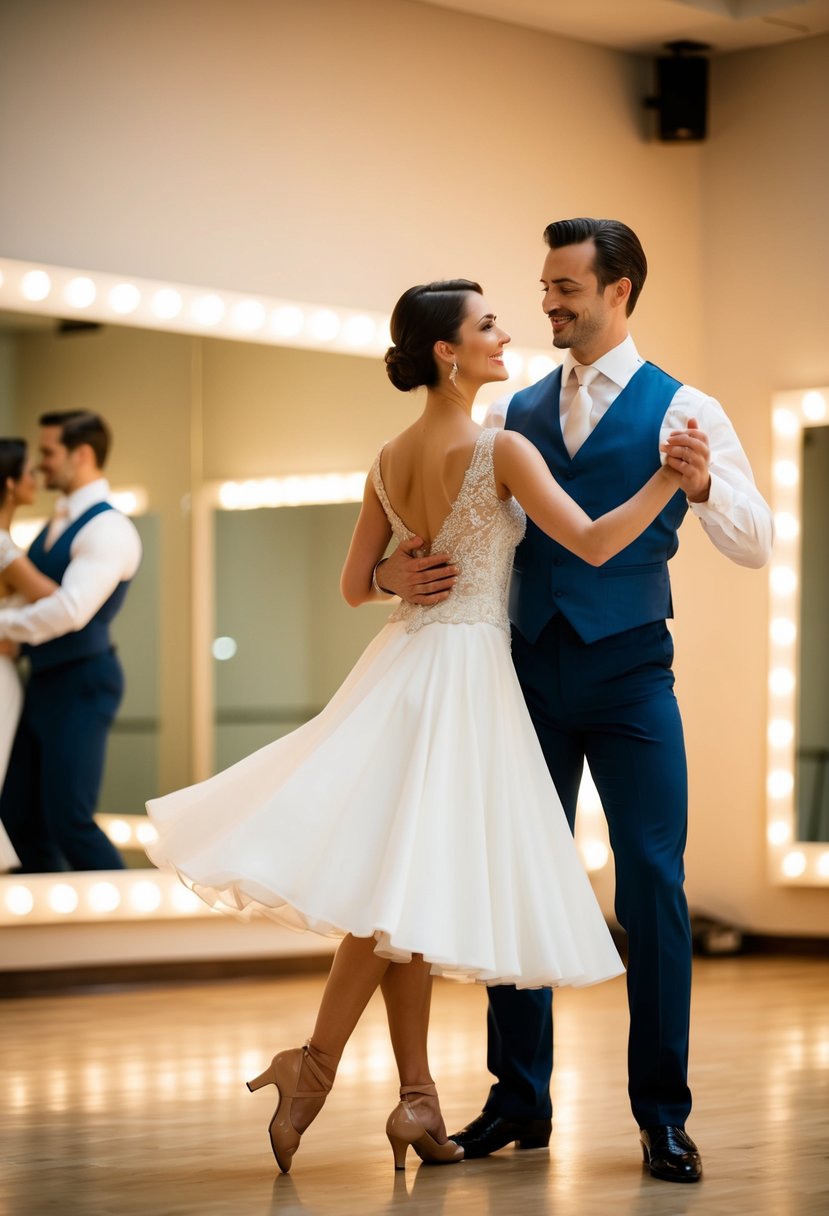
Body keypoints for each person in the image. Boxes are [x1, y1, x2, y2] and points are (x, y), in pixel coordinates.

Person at [146, 278, 696, 1175]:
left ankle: (415, 1098)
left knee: (403, 893)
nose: (504, 333)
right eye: (486, 324)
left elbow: (354, 584)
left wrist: (398, 580)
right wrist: (666, 481)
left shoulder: (387, 454)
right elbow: (594, 543)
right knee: (395, 895)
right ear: (447, 351)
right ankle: (314, 1068)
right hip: (466, 679)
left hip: (404, 668)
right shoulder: (502, 447)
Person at [376, 222, 773, 1185]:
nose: (547, 304)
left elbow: (756, 542)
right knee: (513, 874)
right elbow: (453, 533)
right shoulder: (510, 410)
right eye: (543, 287)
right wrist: (394, 570)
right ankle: (519, 1101)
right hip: (524, 673)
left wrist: (705, 481)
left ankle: (661, 1115)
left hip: (633, 674)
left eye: (564, 288)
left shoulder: (686, 406)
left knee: (652, 883)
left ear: (618, 291)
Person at [0, 411, 142, 872]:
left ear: (81, 455)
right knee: (19, 816)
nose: (40, 465)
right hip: (41, 680)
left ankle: (121, 926)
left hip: (83, 682)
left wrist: (3, 629)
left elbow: (70, 610)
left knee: (69, 818)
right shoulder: (57, 523)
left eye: (48, 452)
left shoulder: (110, 529)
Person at [0, 439, 60, 870]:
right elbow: (58, 600)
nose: (35, 479)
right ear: (9, 483)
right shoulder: (5, 550)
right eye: (28, 473)